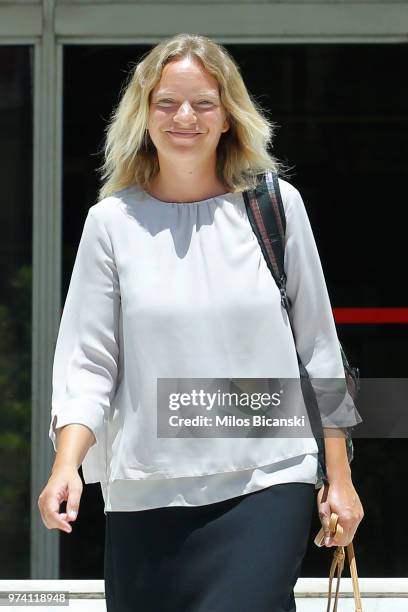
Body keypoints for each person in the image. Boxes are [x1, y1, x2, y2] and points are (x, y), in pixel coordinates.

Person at [38, 33, 364, 611]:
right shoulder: (111, 224)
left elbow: (319, 350)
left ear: (228, 117)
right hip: (146, 491)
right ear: (143, 115)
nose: (184, 116)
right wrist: (67, 466)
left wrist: (337, 476)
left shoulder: (276, 207)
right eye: (166, 102)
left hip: (267, 478)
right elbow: (88, 362)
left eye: (203, 103)